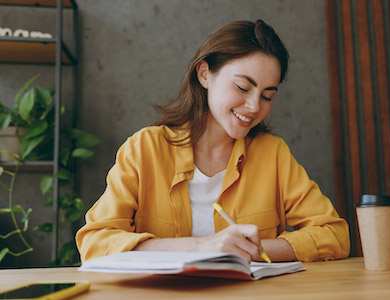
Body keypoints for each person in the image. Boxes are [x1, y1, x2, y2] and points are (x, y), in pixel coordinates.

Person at [76, 20, 350, 263]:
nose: (254, 106)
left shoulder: (273, 153)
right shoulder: (144, 149)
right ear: (205, 74)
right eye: (243, 87)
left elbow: (334, 235)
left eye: (267, 95)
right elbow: (95, 242)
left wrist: (249, 250)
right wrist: (202, 247)